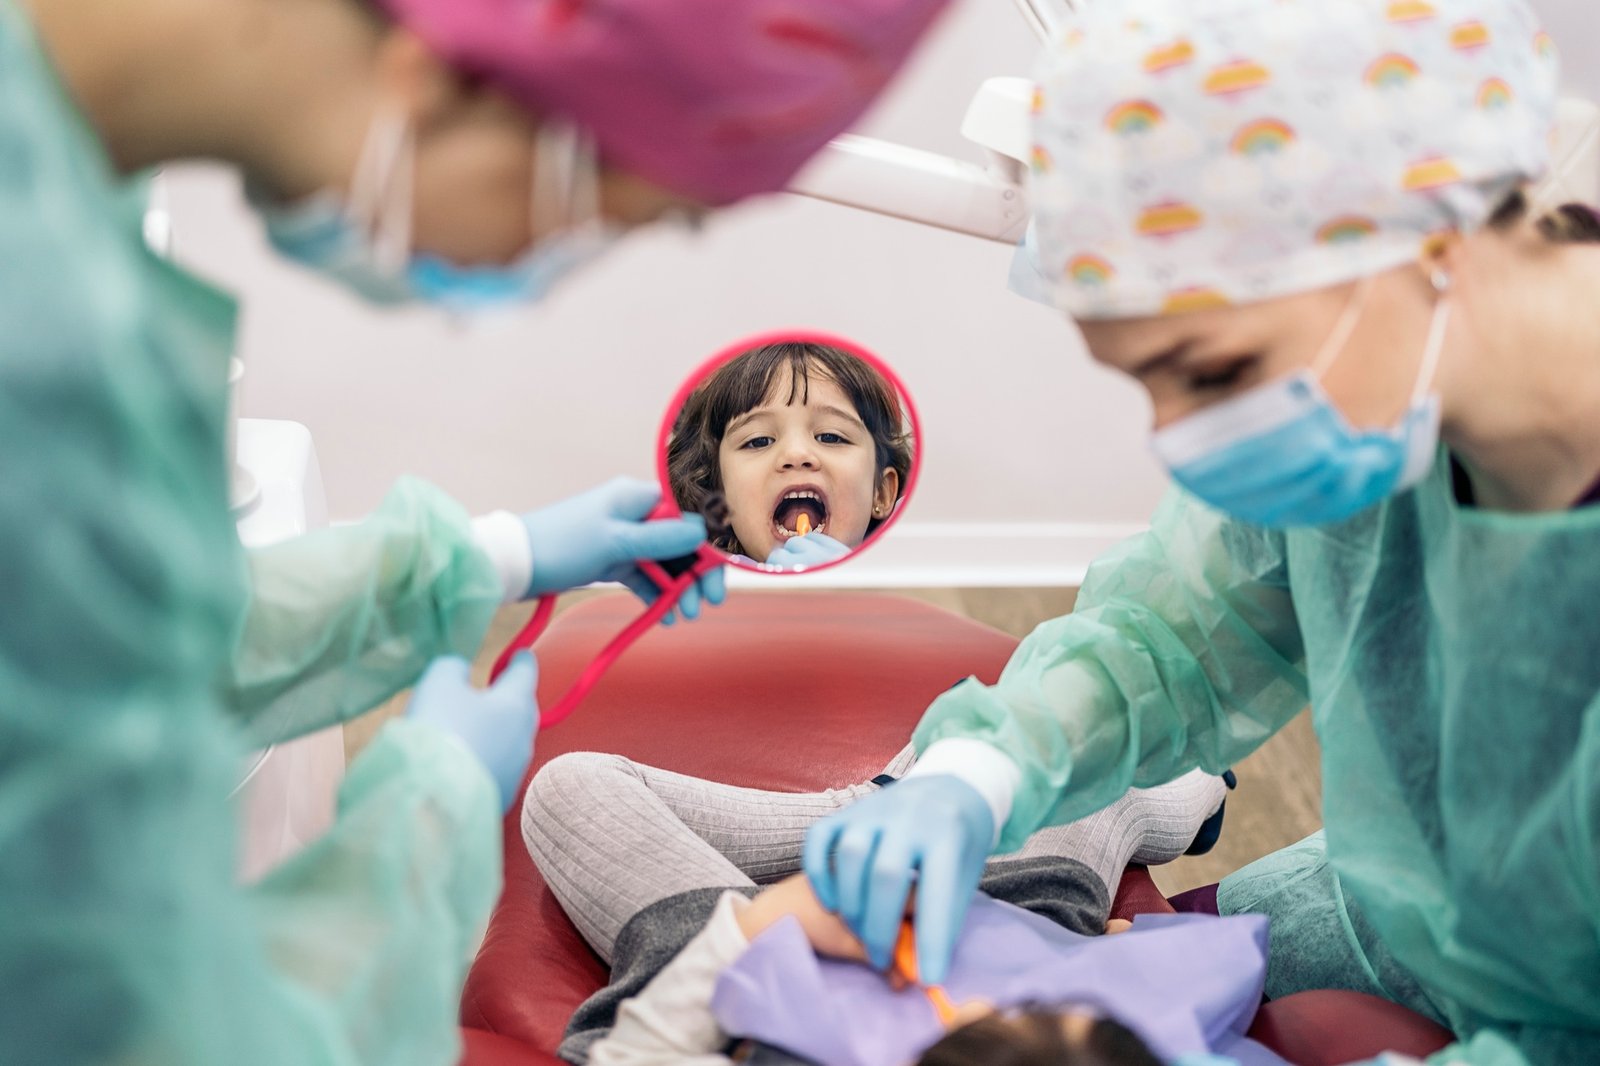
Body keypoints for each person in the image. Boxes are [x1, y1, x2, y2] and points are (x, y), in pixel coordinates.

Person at [0, 0, 952, 1061]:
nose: (543, 262)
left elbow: (84, 635)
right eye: (608, 215)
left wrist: (484, 560)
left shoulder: (57, 228)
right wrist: (425, 825)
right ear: (455, 79)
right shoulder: (40, 357)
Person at [801, 2, 1600, 1063]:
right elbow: (1178, 635)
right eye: (1148, 384)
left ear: (1428, 238)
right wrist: (976, 775)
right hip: (1403, 914)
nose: (1184, 443)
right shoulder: (1386, 396)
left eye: (1214, 372)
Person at [520, 748, 1232, 1063]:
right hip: (1017, 907)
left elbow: (640, 1056)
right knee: (1086, 775)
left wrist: (764, 924)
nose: (992, 1003)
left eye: (1009, 1024)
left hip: (735, 974)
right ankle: (1210, 782)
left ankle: (884, 798)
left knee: (573, 787)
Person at [667, 341, 912, 569]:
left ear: (881, 492)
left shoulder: (909, 569)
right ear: (718, 497)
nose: (796, 454)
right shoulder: (702, 581)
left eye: (831, 437)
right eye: (759, 441)